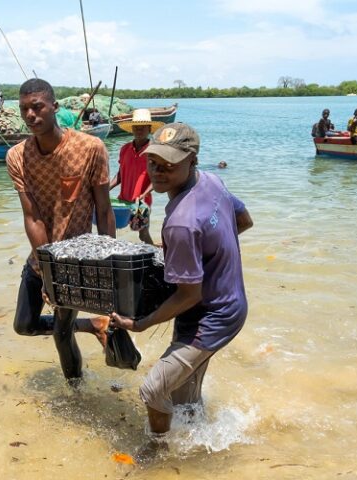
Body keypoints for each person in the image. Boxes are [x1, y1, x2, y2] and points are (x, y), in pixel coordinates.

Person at [108, 122, 253, 459]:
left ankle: (157, 451)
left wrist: (141, 324)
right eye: (153, 162)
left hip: (211, 315)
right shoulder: (212, 183)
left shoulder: (182, 222)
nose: (158, 171)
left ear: (192, 159)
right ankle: (201, 445)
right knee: (186, 399)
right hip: (231, 303)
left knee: (153, 388)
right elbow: (243, 221)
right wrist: (209, 260)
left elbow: (190, 295)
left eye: (169, 164)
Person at [6, 78, 116, 381]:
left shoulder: (90, 148)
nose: (31, 115)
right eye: (24, 109)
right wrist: (45, 270)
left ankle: (76, 392)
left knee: (61, 334)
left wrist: (108, 265)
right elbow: (33, 218)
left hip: (76, 261)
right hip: (41, 257)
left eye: (37, 106)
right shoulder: (17, 156)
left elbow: (104, 210)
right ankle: (94, 325)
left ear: (55, 107)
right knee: (24, 325)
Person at [109, 109, 165, 245]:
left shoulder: (154, 150)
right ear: (132, 129)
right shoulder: (124, 149)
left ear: (149, 129)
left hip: (142, 202)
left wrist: (144, 193)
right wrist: (107, 188)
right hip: (123, 200)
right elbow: (121, 173)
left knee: (142, 234)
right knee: (112, 229)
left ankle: (155, 257)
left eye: (143, 127)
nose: (139, 130)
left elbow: (157, 177)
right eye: (136, 127)